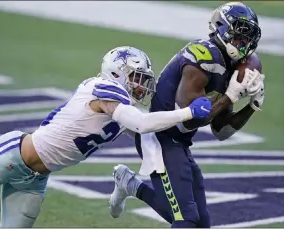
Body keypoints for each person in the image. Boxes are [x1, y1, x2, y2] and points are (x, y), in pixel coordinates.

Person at [0, 46, 212, 228]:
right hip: (14, 156)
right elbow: (143, 124)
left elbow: (150, 132)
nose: (141, 85)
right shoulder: (104, 89)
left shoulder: (119, 108)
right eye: (136, 77)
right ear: (117, 72)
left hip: (35, 179)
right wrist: (187, 112)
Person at [109, 2, 265, 228]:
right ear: (221, 27)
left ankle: (132, 185)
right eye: (240, 35)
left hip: (178, 143)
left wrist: (252, 105)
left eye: (248, 38)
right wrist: (230, 96)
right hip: (159, 138)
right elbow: (190, 119)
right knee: (186, 218)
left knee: (200, 223)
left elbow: (220, 131)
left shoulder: (228, 66)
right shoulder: (203, 56)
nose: (244, 43)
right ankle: (132, 185)